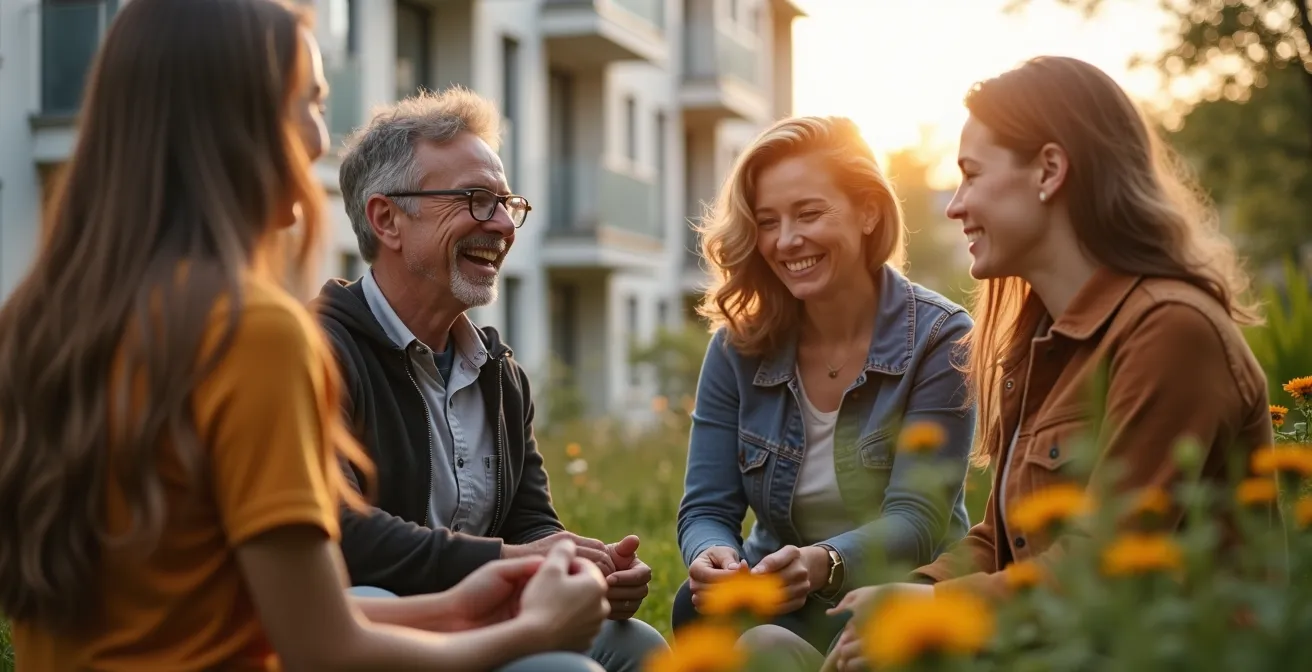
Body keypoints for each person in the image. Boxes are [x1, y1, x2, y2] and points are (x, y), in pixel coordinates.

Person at [0, 1, 614, 670]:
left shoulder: (33, 326)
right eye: (311, 103)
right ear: (238, 118)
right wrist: (531, 630)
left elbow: (241, 609)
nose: (321, 139)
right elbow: (324, 648)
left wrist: (466, 601)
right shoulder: (253, 335)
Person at [823, 56, 1273, 671]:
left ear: (1050, 170)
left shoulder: (1169, 331)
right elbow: (1000, 540)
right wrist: (919, 592)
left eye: (972, 175)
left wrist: (936, 613)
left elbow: (1107, 568)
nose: (954, 207)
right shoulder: (1037, 343)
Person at [311, 87, 670, 671]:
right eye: (477, 200)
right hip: (381, 633)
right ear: (387, 219)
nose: (503, 224)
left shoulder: (499, 373)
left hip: (488, 616)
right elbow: (341, 530)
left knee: (640, 650)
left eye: (507, 203)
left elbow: (529, 521)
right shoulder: (321, 352)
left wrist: (580, 565)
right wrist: (512, 558)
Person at [674, 115, 976, 668]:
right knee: (695, 609)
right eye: (768, 221)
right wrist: (711, 553)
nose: (787, 241)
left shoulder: (940, 337)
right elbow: (707, 507)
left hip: (897, 593)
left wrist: (825, 561)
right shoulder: (736, 348)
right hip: (784, 600)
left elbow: (917, 519)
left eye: (809, 213)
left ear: (868, 211)